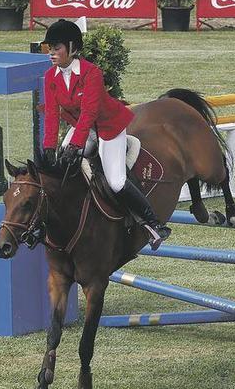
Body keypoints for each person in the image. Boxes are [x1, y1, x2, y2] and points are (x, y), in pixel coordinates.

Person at [40, 19, 171, 250]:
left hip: (108, 128)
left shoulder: (92, 73)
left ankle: (152, 223)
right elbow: (51, 113)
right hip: (83, 127)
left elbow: (90, 113)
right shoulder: (51, 76)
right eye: (48, 48)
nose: (51, 53)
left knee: (116, 182)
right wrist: (49, 146)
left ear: (72, 48)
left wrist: (75, 145)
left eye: (56, 48)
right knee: (62, 163)